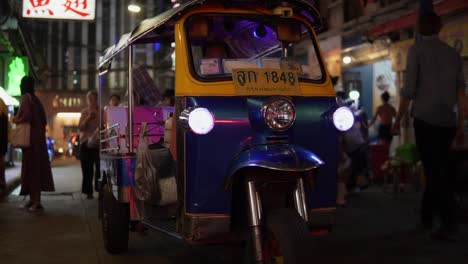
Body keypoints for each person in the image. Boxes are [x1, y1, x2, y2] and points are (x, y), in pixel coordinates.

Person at [392, 12, 467, 240]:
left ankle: (449, 222)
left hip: (425, 120)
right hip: (448, 122)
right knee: (438, 168)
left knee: (434, 172)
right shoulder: (453, 54)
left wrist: (398, 119)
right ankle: (426, 216)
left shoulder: (416, 51)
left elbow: (409, 91)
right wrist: (461, 125)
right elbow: (461, 94)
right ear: (440, 28)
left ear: (418, 28)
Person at [13, 76, 54, 211]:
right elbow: (43, 120)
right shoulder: (36, 99)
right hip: (38, 141)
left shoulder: (25, 98)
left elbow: (27, 116)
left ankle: (35, 201)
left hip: (30, 142)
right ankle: (34, 200)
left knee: (31, 170)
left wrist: (16, 119)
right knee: (36, 170)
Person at [78, 91, 100, 199]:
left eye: (92, 99)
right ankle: (88, 192)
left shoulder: (101, 112)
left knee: (99, 168)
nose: (91, 102)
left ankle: (99, 188)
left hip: (98, 144)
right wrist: (88, 118)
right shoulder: (84, 112)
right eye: (89, 99)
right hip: (86, 144)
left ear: (96, 100)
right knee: (87, 169)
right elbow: (80, 127)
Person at [0, 97, 8, 191]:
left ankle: (2, 184)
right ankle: (2, 184)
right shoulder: (2, 102)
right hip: (3, 139)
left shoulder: (1, 103)